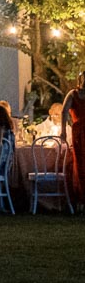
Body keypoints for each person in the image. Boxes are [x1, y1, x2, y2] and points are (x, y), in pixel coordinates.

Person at [65, 71, 85, 201]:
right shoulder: (73, 94)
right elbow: (63, 112)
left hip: (79, 129)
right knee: (80, 162)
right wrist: (62, 130)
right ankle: (80, 196)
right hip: (79, 131)